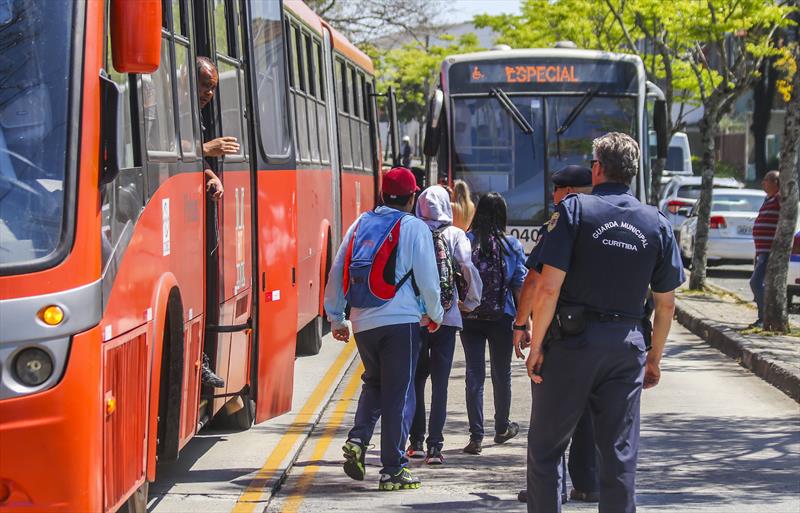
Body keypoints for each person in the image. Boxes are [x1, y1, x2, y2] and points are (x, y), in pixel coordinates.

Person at [519, 132, 684, 513]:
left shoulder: (575, 211)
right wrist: (654, 358)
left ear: (597, 169)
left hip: (572, 346)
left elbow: (547, 289)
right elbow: (666, 306)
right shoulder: (655, 222)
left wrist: (537, 344)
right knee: (618, 455)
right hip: (627, 346)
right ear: (633, 173)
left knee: (545, 450)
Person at [324, 167, 444, 491]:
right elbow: (429, 282)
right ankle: (393, 469)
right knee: (398, 393)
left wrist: (337, 317)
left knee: (374, 383)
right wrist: (435, 314)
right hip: (400, 322)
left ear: (382, 195)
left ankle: (358, 440)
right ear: (412, 197)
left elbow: (338, 270)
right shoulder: (413, 227)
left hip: (363, 322)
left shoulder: (359, 224)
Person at [515, 166, 597, 505]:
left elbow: (537, 281)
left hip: (564, 331)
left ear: (567, 191)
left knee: (552, 421)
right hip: (611, 333)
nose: (554, 197)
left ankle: (551, 488)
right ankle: (589, 482)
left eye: (557, 190)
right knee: (589, 415)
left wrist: (522, 324)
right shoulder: (617, 218)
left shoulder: (563, 220)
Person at [407, 185, 483, 465]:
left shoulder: (411, 230)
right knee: (440, 384)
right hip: (448, 319)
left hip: (415, 318)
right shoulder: (455, 235)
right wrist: (470, 302)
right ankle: (435, 448)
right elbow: (466, 267)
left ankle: (414, 442)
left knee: (415, 381)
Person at [460, 192, 528, 455]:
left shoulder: (466, 242)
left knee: (474, 375)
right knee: (502, 374)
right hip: (503, 317)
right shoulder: (511, 245)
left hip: (470, 317)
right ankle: (501, 427)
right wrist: (525, 322)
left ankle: (476, 436)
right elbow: (519, 285)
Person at [196, 56, 238, 388]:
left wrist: (212, 176)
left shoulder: (199, 115)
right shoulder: (175, 112)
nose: (209, 94)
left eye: (213, 88)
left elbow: (197, 163)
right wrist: (206, 148)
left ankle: (204, 360)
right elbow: (165, 152)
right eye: (205, 86)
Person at [749, 170, 781, 328]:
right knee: (759, 283)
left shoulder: (779, 198)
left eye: (766, 180)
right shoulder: (768, 199)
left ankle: (764, 318)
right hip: (761, 250)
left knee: (756, 283)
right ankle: (762, 317)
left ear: (776, 183)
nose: (763, 183)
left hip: (770, 251)